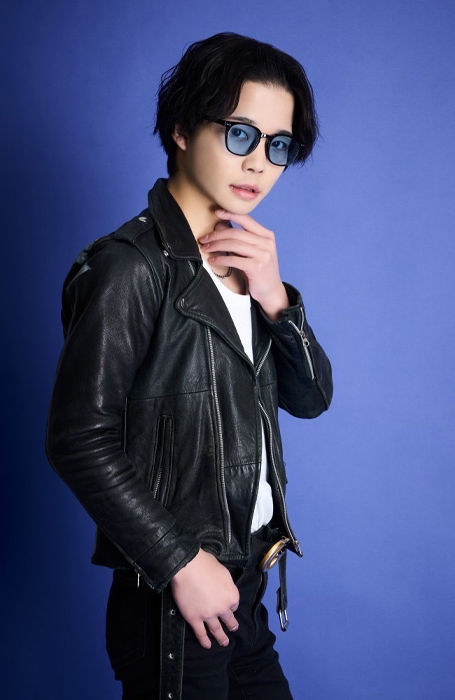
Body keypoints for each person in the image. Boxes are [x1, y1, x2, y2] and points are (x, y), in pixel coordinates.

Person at [46, 31, 333, 700]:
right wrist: (177, 560)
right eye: (240, 134)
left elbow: (312, 398)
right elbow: (77, 437)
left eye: (278, 145)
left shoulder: (247, 263)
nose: (259, 163)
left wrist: (276, 299)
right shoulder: (129, 267)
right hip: (174, 599)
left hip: (246, 583)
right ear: (181, 129)